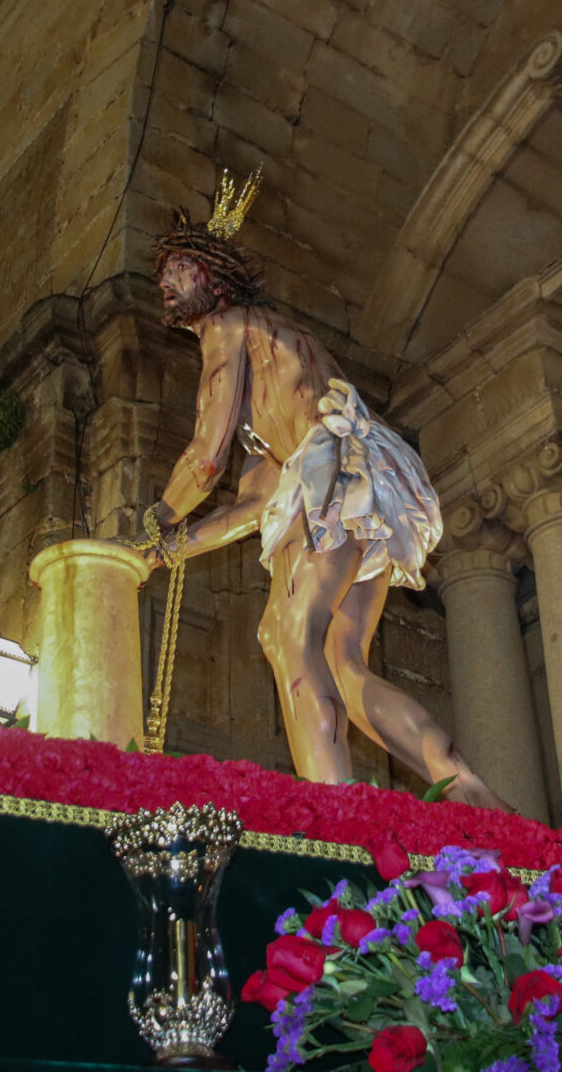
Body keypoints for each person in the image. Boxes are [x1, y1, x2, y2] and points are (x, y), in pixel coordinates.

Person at [140, 177, 510, 810]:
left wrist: (154, 516)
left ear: (214, 277)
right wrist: (163, 550)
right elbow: (254, 505)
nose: (167, 282)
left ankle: (334, 818)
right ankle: (467, 787)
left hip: (333, 465)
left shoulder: (227, 328)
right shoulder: (275, 368)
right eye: (163, 273)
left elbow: (205, 458)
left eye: (181, 268)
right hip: (365, 474)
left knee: (289, 634)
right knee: (342, 659)